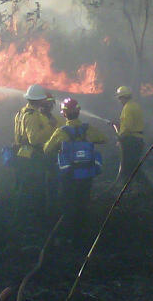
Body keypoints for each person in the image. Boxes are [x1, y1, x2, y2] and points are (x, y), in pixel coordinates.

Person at [44, 97, 107, 237]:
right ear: (78, 112)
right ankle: (83, 233)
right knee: (83, 203)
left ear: (64, 114)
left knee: (68, 204)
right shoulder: (87, 129)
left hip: (69, 176)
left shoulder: (62, 131)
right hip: (87, 174)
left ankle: (69, 235)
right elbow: (103, 138)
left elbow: (47, 149)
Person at [13, 83, 57, 215]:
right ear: (38, 100)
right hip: (32, 158)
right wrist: (50, 128)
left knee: (22, 187)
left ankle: (20, 216)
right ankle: (34, 217)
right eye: (43, 99)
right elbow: (35, 139)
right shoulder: (32, 116)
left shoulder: (21, 112)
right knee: (35, 188)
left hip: (21, 155)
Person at [112, 85, 147, 184]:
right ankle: (140, 186)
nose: (119, 100)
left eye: (119, 98)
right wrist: (119, 125)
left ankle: (130, 187)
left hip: (131, 140)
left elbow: (127, 127)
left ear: (123, 97)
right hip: (138, 139)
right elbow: (132, 123)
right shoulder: (136, 106)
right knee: (134, 166)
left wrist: (120, 138)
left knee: (128, 167)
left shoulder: (127, 108)